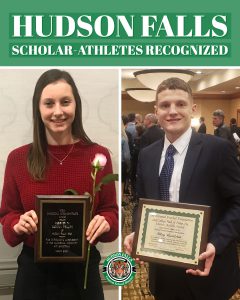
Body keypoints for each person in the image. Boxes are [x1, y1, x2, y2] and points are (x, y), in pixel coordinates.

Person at [0, 69, 118, 300]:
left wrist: (106, 222)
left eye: (65, 102)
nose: (57, 111)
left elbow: (110, 212)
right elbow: (8, 214)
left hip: (83, 273)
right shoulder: (18, 158)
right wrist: (17, 223)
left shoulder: (98, 156)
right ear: (38, 108)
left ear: (76, 105)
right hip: (34, 275)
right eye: (48, 103)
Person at [124, 77, 240, 300]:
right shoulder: (147, 155)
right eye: (165, 105)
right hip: (163, 273)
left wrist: (216, 242)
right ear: (156, 110)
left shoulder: (217, 149)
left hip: (208, 270)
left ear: (193, 108)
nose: (172, 111)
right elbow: (143, 202)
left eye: (181, 104)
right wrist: (138, 232)